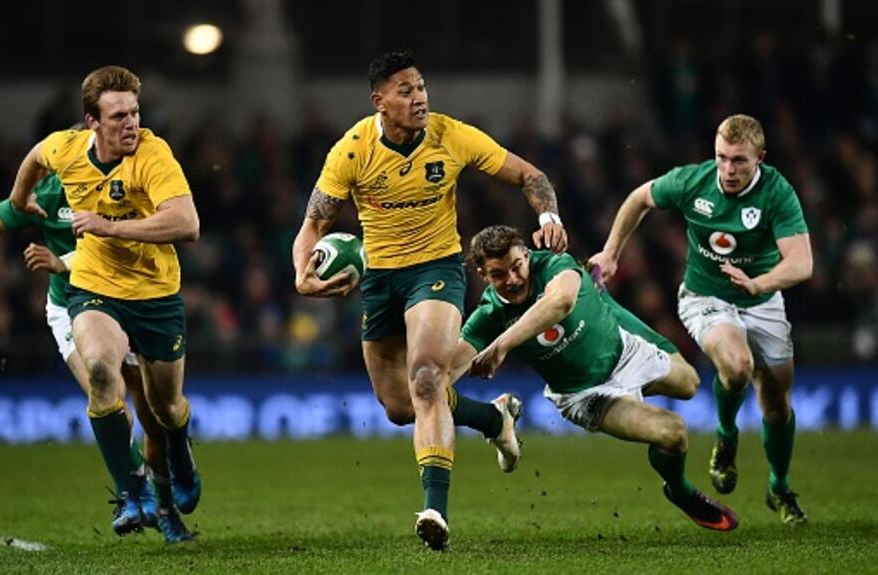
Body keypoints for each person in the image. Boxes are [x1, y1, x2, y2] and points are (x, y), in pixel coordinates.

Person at [291, 50, 568, 550]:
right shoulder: (351, 151)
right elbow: (314, 225)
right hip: (380, 279)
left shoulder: (451, 135)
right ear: (380, 101)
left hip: (437, 270)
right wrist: (301, 276)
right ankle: (492, 418)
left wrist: (549, 217)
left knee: (426, 379)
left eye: (421, 87)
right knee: (400, 406)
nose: (419, 97)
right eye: (405, 90)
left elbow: (531, 175)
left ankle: (435, 511)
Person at [0, 173, 194, 543]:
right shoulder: (45, 195)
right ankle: (132, 493)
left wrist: (64, 261)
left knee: (153, 417)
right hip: (73, 308)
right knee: (107, 393)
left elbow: (139, 241)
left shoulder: (125, 184)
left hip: (128, 299)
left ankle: (164, 509)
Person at [588, 114, 812, 525]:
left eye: (740, 161)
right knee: (738, 365)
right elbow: (639, 198)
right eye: (722, 158)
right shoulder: (694, 181)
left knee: (777, 405)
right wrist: (611, 252)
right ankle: (726, 435)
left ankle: (779, 488)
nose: (728, 169)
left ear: (760, 158)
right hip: (705, 296)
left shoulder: (777, 193)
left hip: (762, 298)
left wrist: (759, 282)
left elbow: (801, 263)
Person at [8, 65, 203, 535]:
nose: (130, 123)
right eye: (118, 115)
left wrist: (109, 226)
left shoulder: (155, 155)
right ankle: (131, 494)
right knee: (99, 369)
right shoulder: (68, 149)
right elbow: (35, 157)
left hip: (156, 295)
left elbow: (187, 224)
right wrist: (19, 199)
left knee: (166, 407)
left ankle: (180, 455)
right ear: (92, 121)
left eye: (135, 112)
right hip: (96, 289)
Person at [454, 225, 740, 531]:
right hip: (587, 395)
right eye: (498, 275)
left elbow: (561, 302)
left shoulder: (553, 264)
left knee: (690, 383)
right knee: (673, 432)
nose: (512, 279)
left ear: (526, 254)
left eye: (516, 266)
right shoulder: (488, 316)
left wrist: (501, 345)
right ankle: (680, 491)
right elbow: (449, 366)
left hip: (625, 351)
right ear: (483, 275)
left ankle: (605, 304)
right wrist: (423, 386)